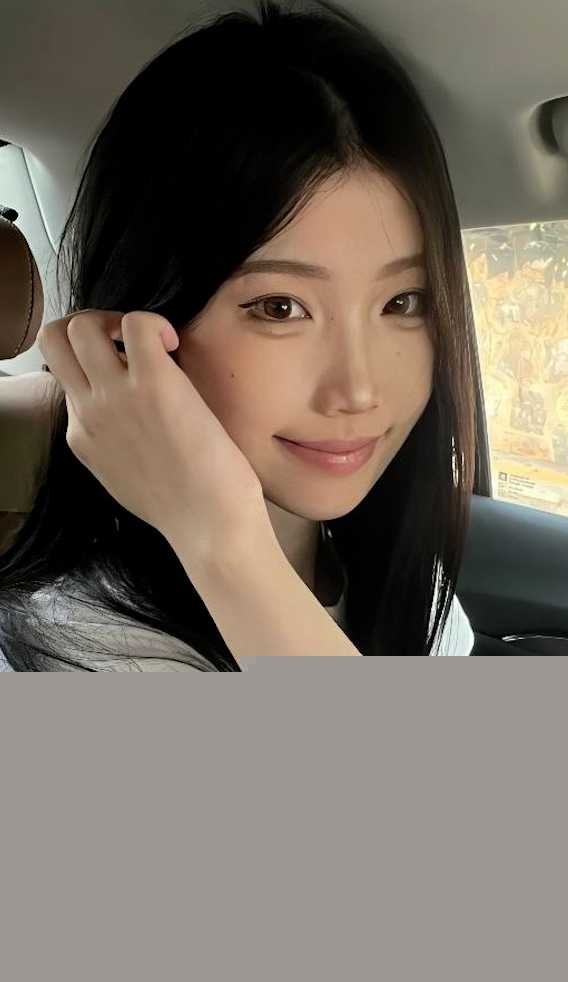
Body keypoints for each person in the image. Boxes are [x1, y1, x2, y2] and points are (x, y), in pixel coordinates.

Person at [0, 0, 483, 670]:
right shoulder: (79, 650)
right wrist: (220, 542)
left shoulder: (404, 581)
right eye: (280, 308)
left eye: (403, 302)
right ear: (135, 330)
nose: (358, 390)